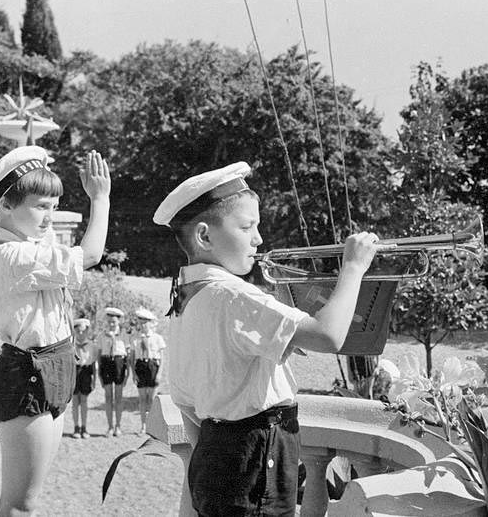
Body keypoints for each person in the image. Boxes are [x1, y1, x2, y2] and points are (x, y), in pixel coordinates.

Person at [153, 161, 380, 516]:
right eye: (247, 227)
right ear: (204, 236)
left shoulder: (186, 295)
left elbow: (189, 405)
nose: (259, 238)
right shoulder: (234, 296)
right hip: (259, 456)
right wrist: (353, 267)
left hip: (218, 455)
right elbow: (328, 335)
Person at [0, 145, 110, 516]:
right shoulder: (10, 256)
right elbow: (91, 255)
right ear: (4, 206)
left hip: (54, 364)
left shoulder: (30, 244)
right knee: (21, 506)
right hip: (28, 373)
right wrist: (101, 199)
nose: (50, 217)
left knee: (21, 502)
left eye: (53, 206)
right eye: (40, 206)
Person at [130, 307, 166, 435]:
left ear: (151, 323)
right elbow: (132, 358)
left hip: (153, 367)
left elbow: (162, 358)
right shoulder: (135, 338)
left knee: (151, 399)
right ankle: (143, 426)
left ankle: (152, 426)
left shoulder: (157, 338)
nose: (143, 325)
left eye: (146, 322)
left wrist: (159, 373)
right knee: (142, 399)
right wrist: (134, 374)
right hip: (140, 367)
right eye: (141, 322)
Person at [99, 306, 129, 437]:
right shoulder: (102, 335)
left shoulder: (123, 335)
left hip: (119, 364)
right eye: (109, 321)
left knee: (118, 397)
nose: (111, 324)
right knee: (108, 396)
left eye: (114, 322)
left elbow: (127, 355)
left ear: (118, 322)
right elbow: (100, 355)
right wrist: (99, 373)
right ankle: (110, 426)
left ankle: (118, 426)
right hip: (106, 364)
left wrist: (127, 373)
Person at [70, 318, 98, 439]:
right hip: (74, 372)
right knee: (75, 401)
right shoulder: (71, 345)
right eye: (78, 331)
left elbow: (94, 364)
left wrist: (94, 380)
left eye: (83, 331)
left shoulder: (92, 345)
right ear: (75, 331)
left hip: (86, 372)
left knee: (84, 401)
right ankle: (76, 427)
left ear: (87, 332)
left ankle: (84, 427)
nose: (80, 334)